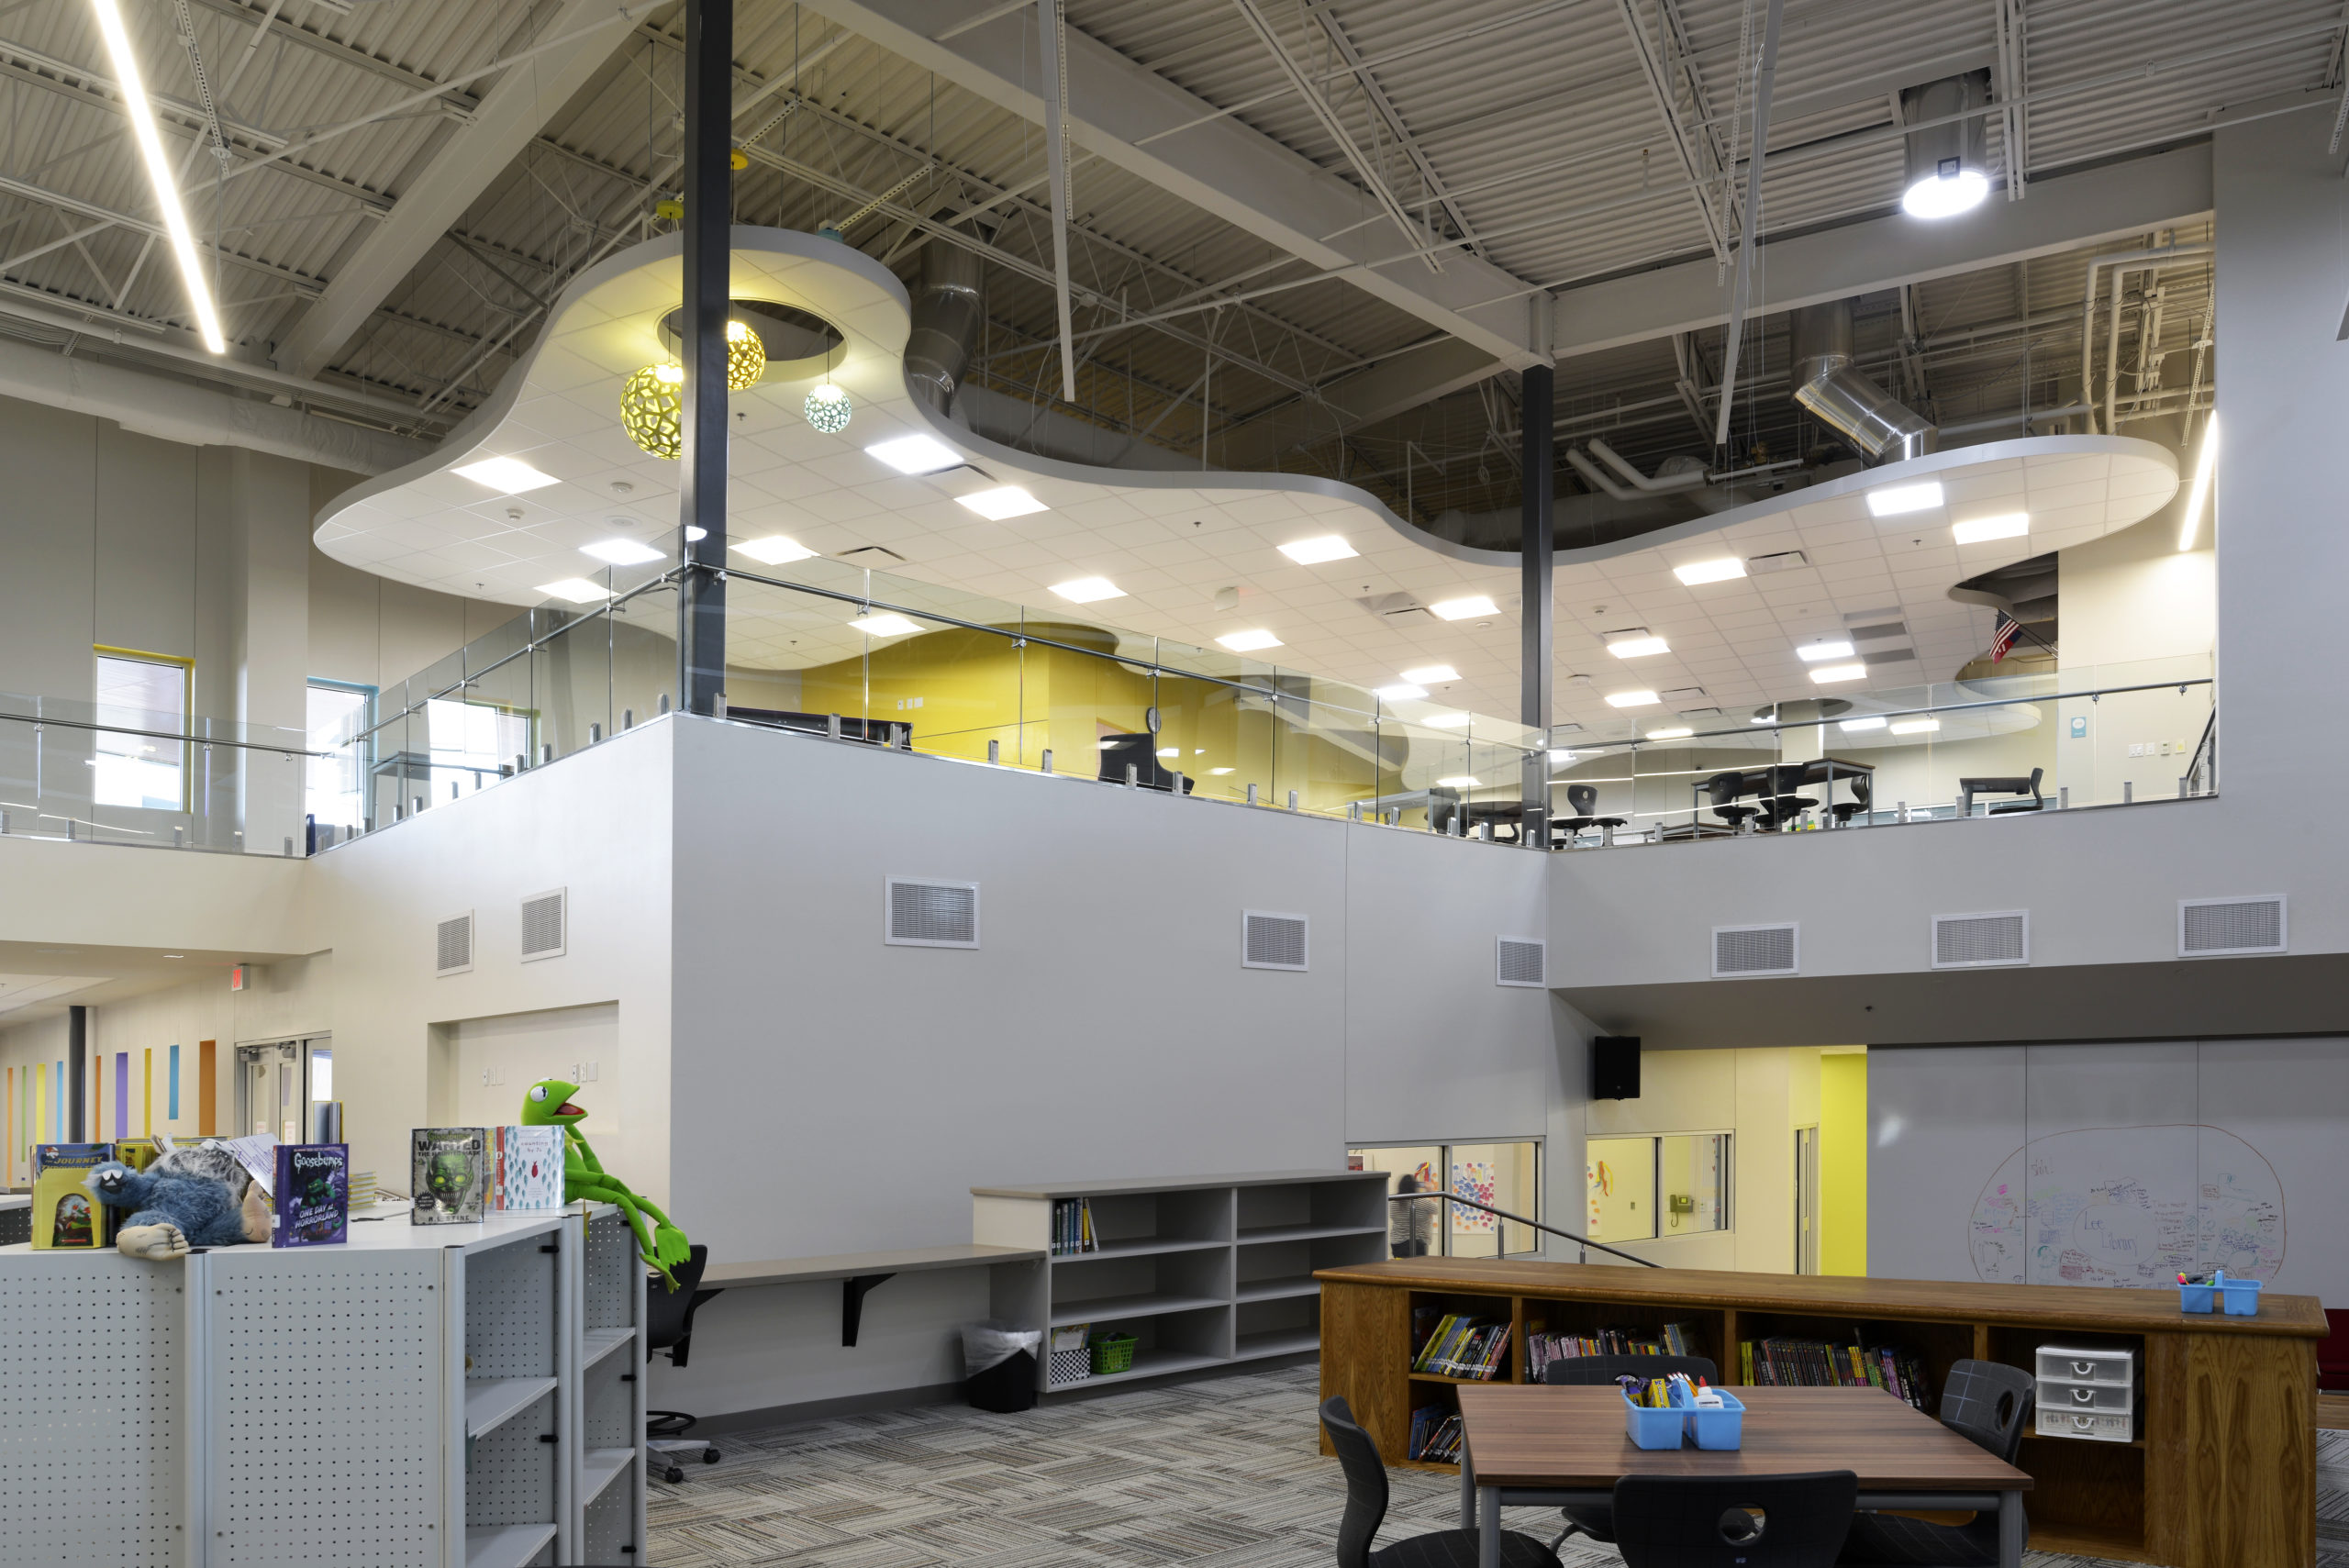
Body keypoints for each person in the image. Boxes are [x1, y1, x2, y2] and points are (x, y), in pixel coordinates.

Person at [1389, 1173, 1436, 1257]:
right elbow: (1436, 1209)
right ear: (1415, 1186)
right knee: (1417, 1268)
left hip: (1397, 1244)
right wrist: (1430, 1192)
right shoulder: (1423, 1202)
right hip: (1418, 1243)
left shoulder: (1393, 1202)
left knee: (1400, 1267)